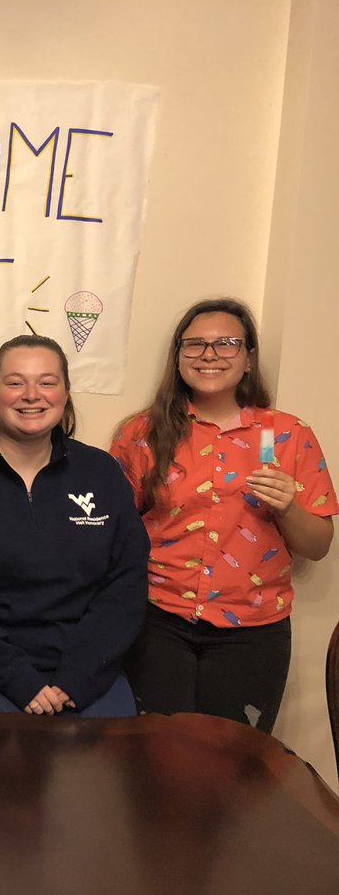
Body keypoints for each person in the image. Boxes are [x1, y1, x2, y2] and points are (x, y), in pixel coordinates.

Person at [111, 298, 335, 731]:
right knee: (152, 757)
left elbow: (318, 547)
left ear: (249, 358)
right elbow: (114, 532)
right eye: (194, 345)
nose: (209, 355)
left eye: (227, 344)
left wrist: (287, 506)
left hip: (252, 630)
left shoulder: (289, 435)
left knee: (231, 768)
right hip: (157, 621)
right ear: (177, 358)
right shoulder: (142, 433)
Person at [0, 334, 148, 717]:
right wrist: (18, 678)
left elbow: (125, 585)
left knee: (107, 766)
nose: (32, 395)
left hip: (86, 672)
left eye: (47, 382)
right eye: (15, 382)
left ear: (66, 393)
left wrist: (78, 678)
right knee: (11, 764)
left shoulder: (101, 472)